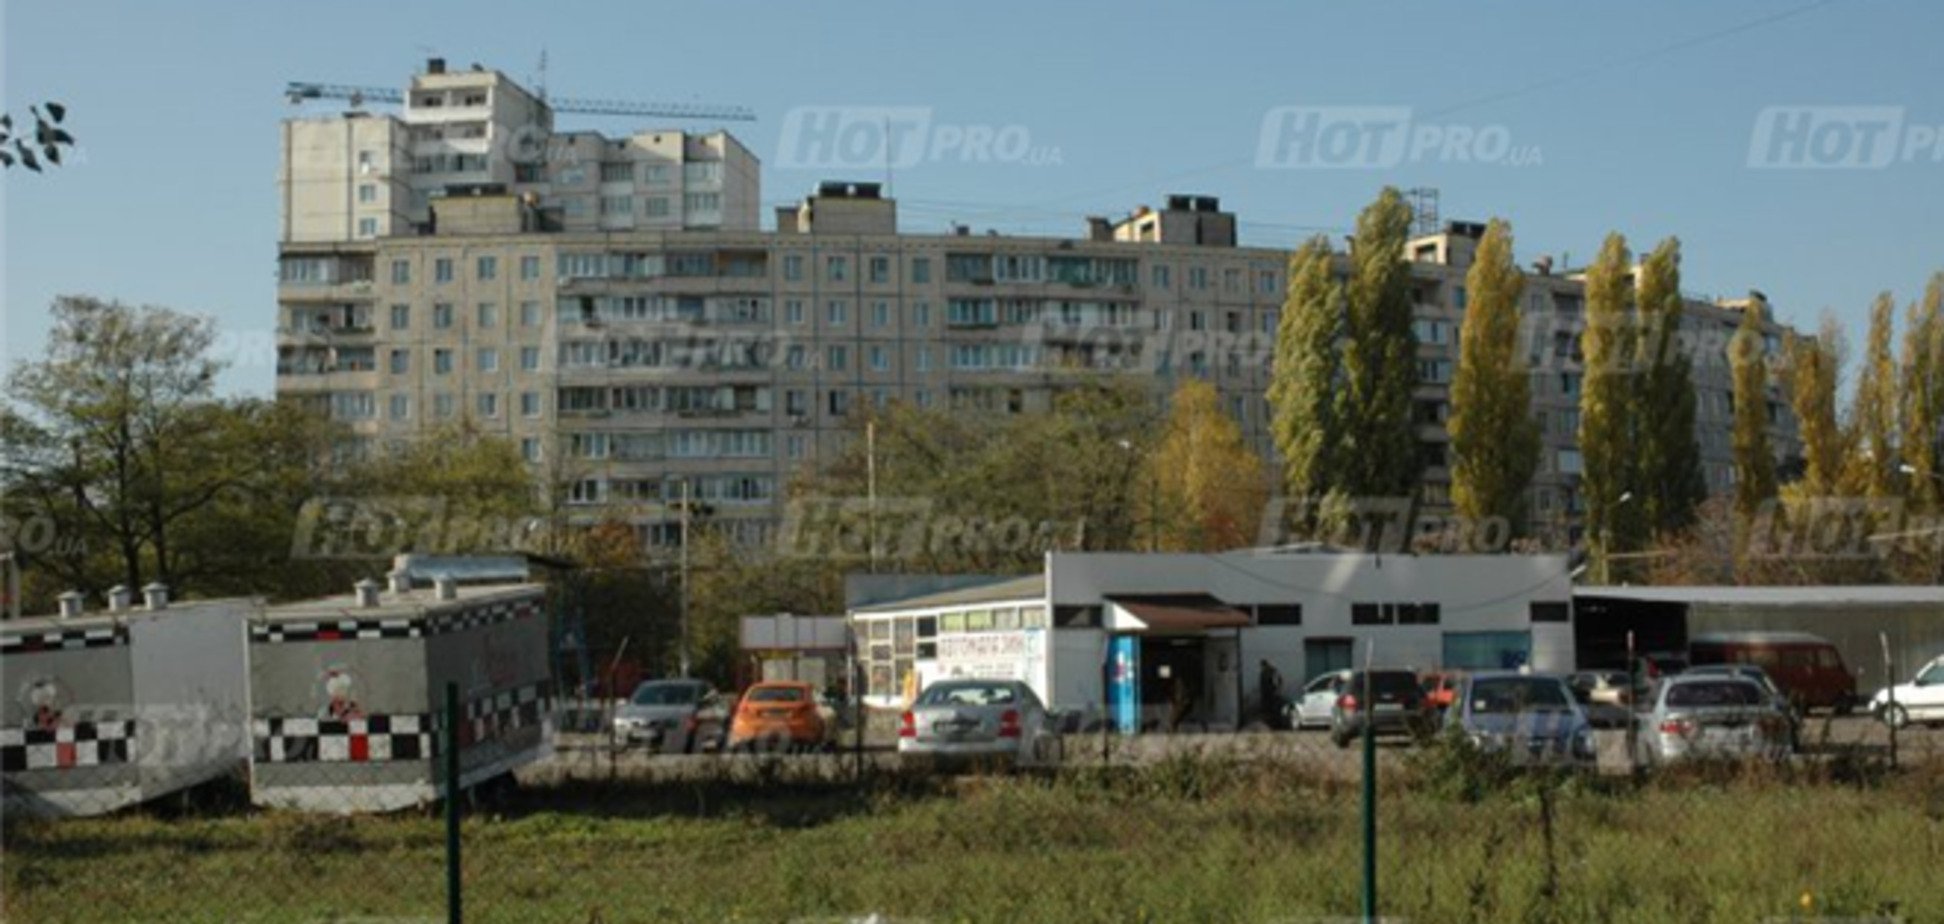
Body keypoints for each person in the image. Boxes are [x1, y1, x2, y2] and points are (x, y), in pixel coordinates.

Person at [1258, 660, 1286, 730]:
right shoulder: (1273, 671)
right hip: (1272, 694)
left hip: (1270, 694)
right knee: (1274, 710)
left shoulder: (1268, 672)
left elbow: (1277, 681)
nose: (1261, 668)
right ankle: (1276, 725)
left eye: (1262, 666)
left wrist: (1276, 689)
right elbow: (1280, 681)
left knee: (1271, 710)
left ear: (1263, 665)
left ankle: (1274, 725)